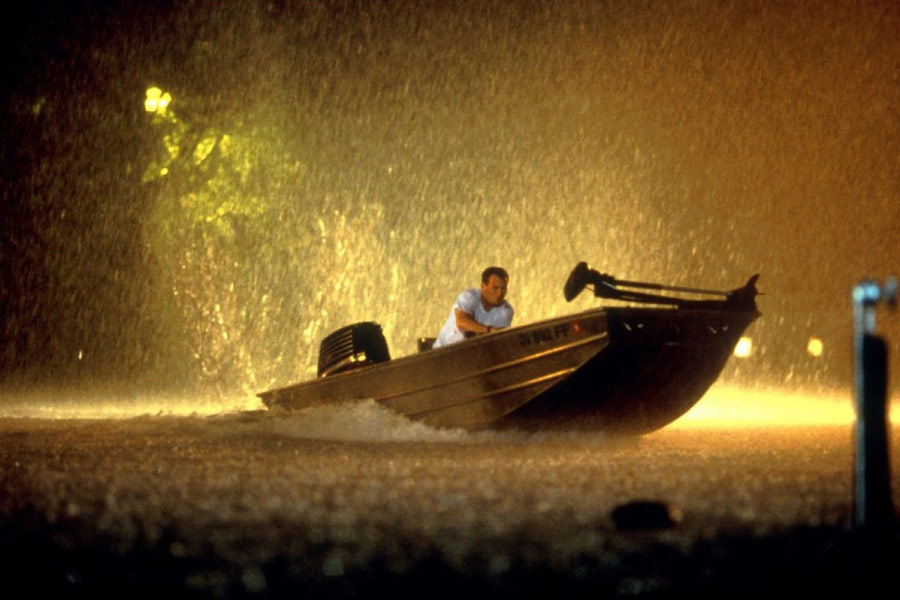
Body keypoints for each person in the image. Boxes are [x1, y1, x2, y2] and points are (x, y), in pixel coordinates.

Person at [433, 266, 514, 348]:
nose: (500, 293)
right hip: (442, 350)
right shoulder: (468, 297)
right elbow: (461, 322)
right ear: (483, 286)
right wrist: (488, 330)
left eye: (503, 288)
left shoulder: (506, 311)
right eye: (495, 288)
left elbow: (497, 338)